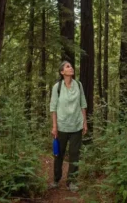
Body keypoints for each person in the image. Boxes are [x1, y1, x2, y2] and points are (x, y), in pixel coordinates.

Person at [49, 61, 88, 192]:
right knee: (58, 154)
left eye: (71, 66)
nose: (71, 68)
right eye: (67, 67)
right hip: (61, 126)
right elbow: (53, 107)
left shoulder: (78, 84)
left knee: (74, 154)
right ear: (62, 72)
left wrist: (84, 122)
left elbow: (83, 103)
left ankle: (71, 182)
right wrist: (54, 126)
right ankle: (56, 179)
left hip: (76, 125)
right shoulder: (57, 87)